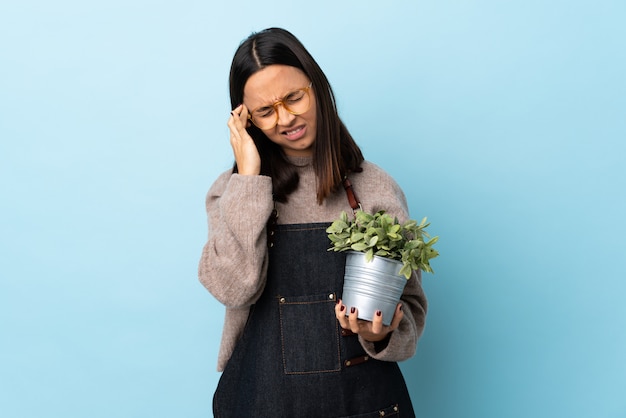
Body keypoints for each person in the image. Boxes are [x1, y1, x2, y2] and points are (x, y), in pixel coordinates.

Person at [198, 27, 427, 417]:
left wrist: (382, 332)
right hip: (259, 404)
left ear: (316, 87)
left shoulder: (373, 187)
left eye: (293, 98)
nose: (285, 119)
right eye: (265, 112)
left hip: (363, 405)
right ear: (245, 118)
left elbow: (411, 309)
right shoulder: (231, 192)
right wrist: (250, 181)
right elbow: (234, 288)